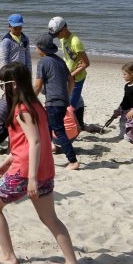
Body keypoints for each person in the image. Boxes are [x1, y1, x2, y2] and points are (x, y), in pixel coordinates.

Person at [0, 62, 79, 264]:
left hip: (26, 172)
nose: (2, 88)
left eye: (4, 84)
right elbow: (27, 142)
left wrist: (32, 178)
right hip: (44, 168)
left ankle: (9, 256)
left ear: (15, 84)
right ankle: (71, 262)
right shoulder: (37, 105)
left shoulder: (22, 109)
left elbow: (35, 142)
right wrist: (6, 161)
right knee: (50, 218)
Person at [32, 34, 80, 170]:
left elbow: (37, 85)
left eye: (36, 47)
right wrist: (67, 95)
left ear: (41, 49)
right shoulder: (60, 61)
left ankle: (73, 161)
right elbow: (71, 80)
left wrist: (29, 100)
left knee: (58, 130)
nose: (35, 49)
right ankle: (44, 158)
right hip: (62, 101)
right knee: (47, 129)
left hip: (53, 102)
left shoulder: (43, 62)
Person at [48, 17, 90, 131]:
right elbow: (67, 57)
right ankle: (80, 124)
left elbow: (86, 63)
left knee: (70, 106)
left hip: (77, 78)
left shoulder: (75, 41)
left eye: (57, 33)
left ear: (65, 28)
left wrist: (72, 75)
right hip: (68, 76)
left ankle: (75, 128)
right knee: (74, 100)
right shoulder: (62, 39)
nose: (56, 36)